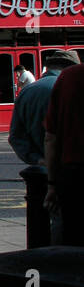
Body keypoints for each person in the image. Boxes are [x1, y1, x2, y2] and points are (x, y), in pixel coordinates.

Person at [10, 49, 79, 245]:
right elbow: (54, 135)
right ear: (71, 68)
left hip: (39, 169)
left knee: (42, 220)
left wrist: (36, 159)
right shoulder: (69, 88)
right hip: (69, 165)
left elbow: (15, 136)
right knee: (66, 221)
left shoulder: (28, 91)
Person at [44, 60, 84, 246]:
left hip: (73, 171)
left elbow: (50, 138)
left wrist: (52, 185)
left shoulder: (68, 77)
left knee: (72, 236)